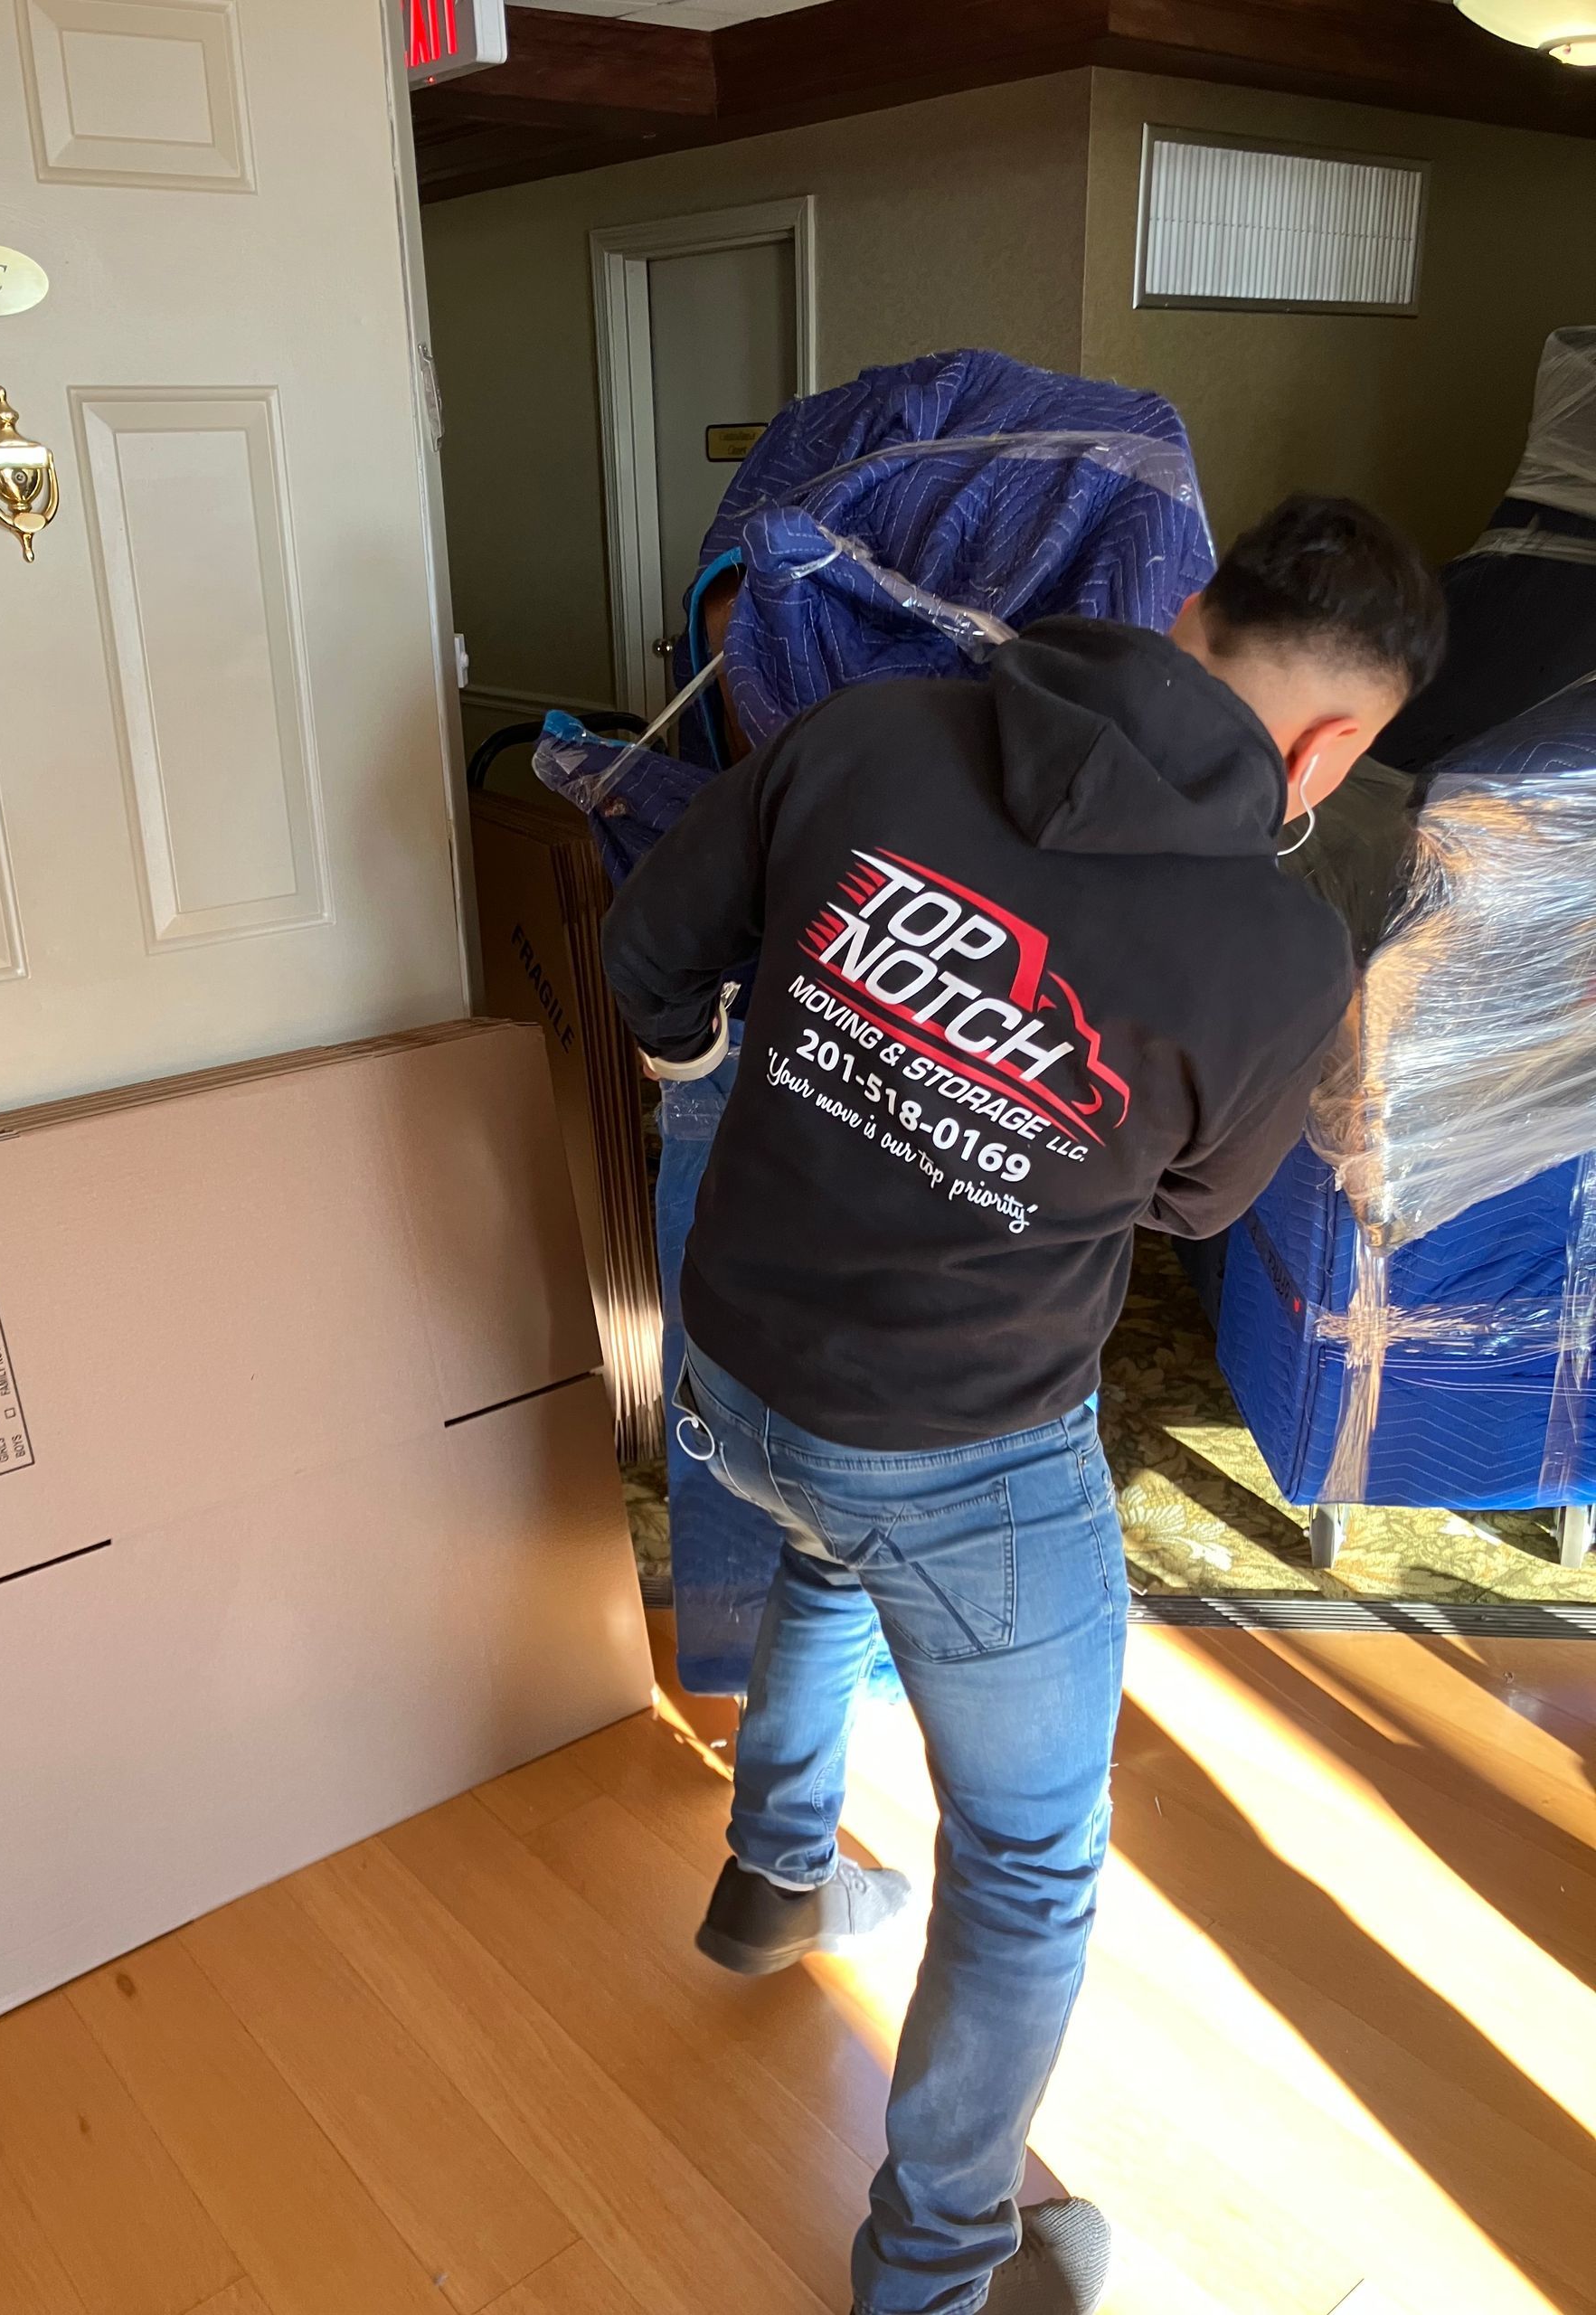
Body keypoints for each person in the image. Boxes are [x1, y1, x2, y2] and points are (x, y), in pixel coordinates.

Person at [600, 495, 1446, 2315]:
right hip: (966, 1454)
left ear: (1192, 610)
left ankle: (772, 1874)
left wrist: (739, 1078)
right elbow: (1195, 1205)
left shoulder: (871, 732)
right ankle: (936, 2270)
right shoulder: (1276, 953)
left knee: (830, 1552)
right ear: (1332, 746)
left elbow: (650, 955)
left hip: (734, 1369)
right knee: (1033, 1857)